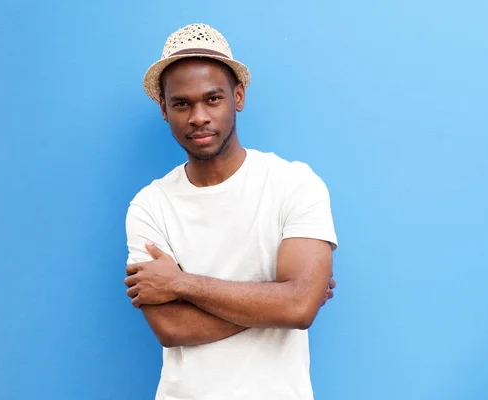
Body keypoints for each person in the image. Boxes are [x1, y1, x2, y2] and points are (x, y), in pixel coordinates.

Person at [124, 23, 338, 400]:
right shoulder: (150, 205)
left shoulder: (294, 183)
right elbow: (171, 328)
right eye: (181, 103)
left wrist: (181, 284)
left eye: (213, 99)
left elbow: (300, 308)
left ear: (238, 96)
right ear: (163, 110)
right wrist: (278, 302)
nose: (198, 117)